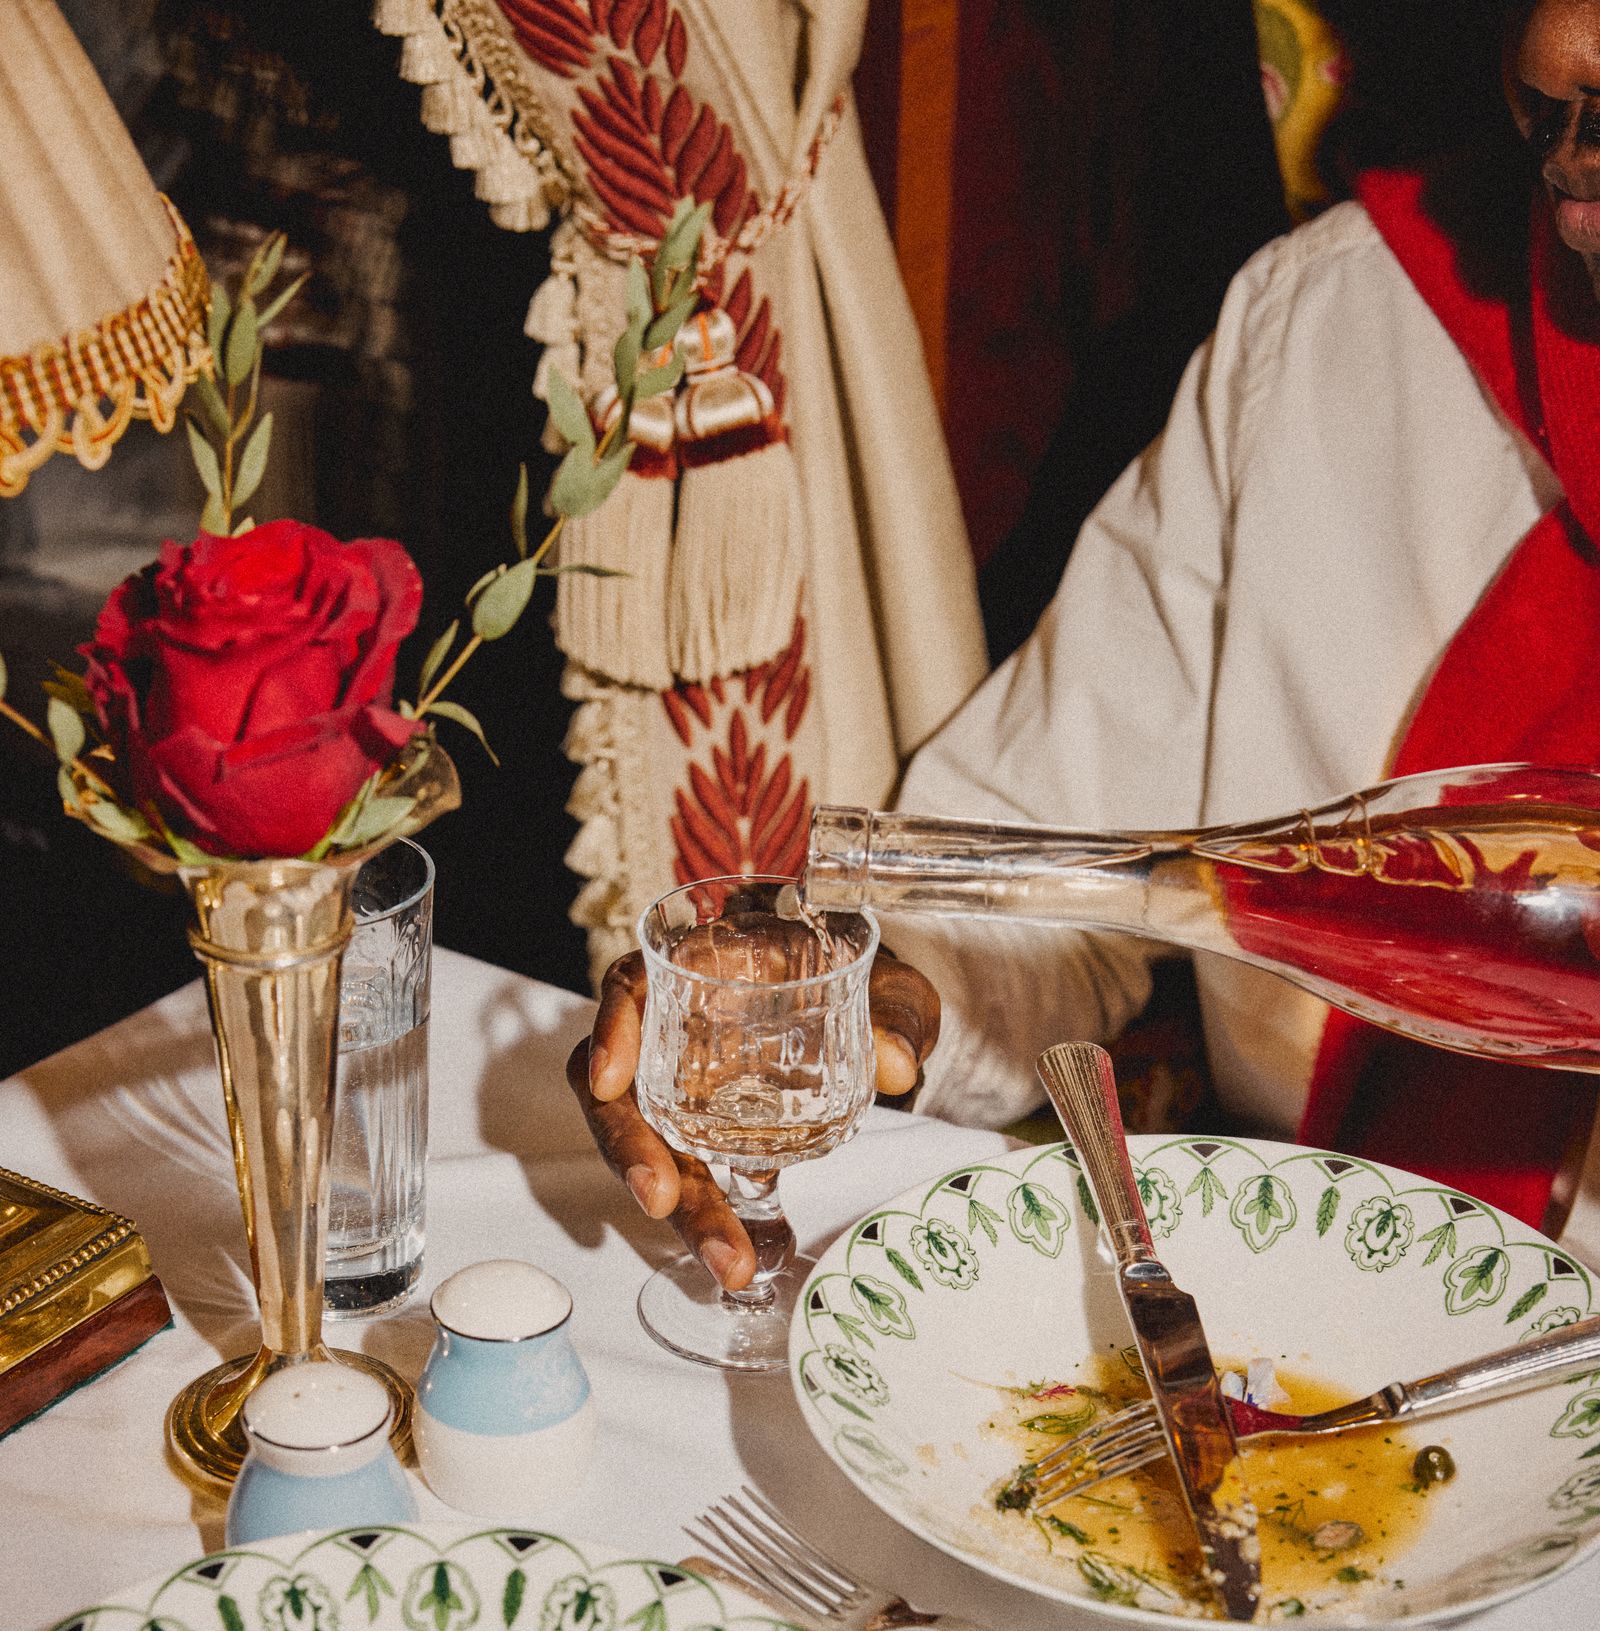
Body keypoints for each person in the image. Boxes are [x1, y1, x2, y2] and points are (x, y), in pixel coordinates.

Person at [572, 0, 1600, 1278]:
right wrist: (864, 989)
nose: (1556, 52)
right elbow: (1048, 876)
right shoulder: (1340, 326)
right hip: (1285, 1313)